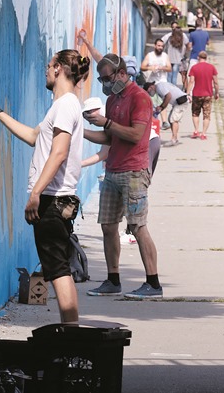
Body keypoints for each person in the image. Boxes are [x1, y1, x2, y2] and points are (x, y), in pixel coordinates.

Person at [0, 50, 90, 322]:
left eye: (48, 65)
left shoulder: (65, 105)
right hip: (55, 199)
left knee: (58, 270)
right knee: (57, 269)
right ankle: (70, 332)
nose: (45, 70)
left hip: (53, 199)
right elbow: (32, 136)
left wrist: (36, 193)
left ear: (59, 69)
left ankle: (71, 335)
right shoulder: (61, 106)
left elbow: (59, 152)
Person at [83, 53, 163, 299]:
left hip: (134, 172)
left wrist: (105, 123)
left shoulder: (140, 98)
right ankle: (112, 280)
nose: (105, 83)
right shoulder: (113, 100)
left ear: (121, 73)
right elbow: (110, 138)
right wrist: (82, 132)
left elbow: (135, 135)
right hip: (113, 170)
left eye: (107, 78)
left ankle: (153, 283)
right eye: (101, 79)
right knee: (108, 226)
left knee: (138, 227)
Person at [144, 81, 189, 147]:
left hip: (181, 101)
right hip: (178, 102)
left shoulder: (159, 87)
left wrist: (161, 107)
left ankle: (174, 139)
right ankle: (174, 138)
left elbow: (168, 96)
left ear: (151, 87)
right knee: (170, 118)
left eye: (148, 91)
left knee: (173, 119)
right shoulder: (160, 87)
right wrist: (160, 108)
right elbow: (165, 99)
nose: (149, 93)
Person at [186, 51, 218, 140]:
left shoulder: (194, 68)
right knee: (206, 115)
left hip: (197, 94)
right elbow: (215, 82)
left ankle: (196, 131)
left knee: (195, 113)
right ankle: (203, 133)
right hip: (208, 94)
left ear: (198, 58)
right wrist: (217, 92)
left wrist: (188, 93)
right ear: (206, 58)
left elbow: (191, 81)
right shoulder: (211, 68)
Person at [141, 39, 172, 130]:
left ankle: (164, 121)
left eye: (162, 46)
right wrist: (151, 67)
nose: (160, 48)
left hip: (162, 82)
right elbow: (142, 66)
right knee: (152, 103)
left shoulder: (165, 56)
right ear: (155, 46)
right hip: (151, 84)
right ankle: (153, 121)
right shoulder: (150, 56)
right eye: (159, 46)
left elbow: (169, 68)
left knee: (162, 102)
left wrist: (162, 67)